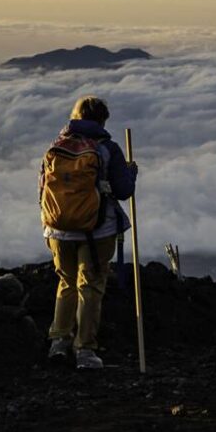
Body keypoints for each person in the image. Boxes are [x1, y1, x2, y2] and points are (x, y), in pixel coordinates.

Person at [40, 95, 137, 370]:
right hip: (98, 229)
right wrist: (131, 173)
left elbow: (43, 188)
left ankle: (58, 342)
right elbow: (123, 190)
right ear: (102, 120)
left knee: (66, 283)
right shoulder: (108, 149)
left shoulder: (56, 146)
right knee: (91, 286)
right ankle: (85, 350)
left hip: (58, 229)